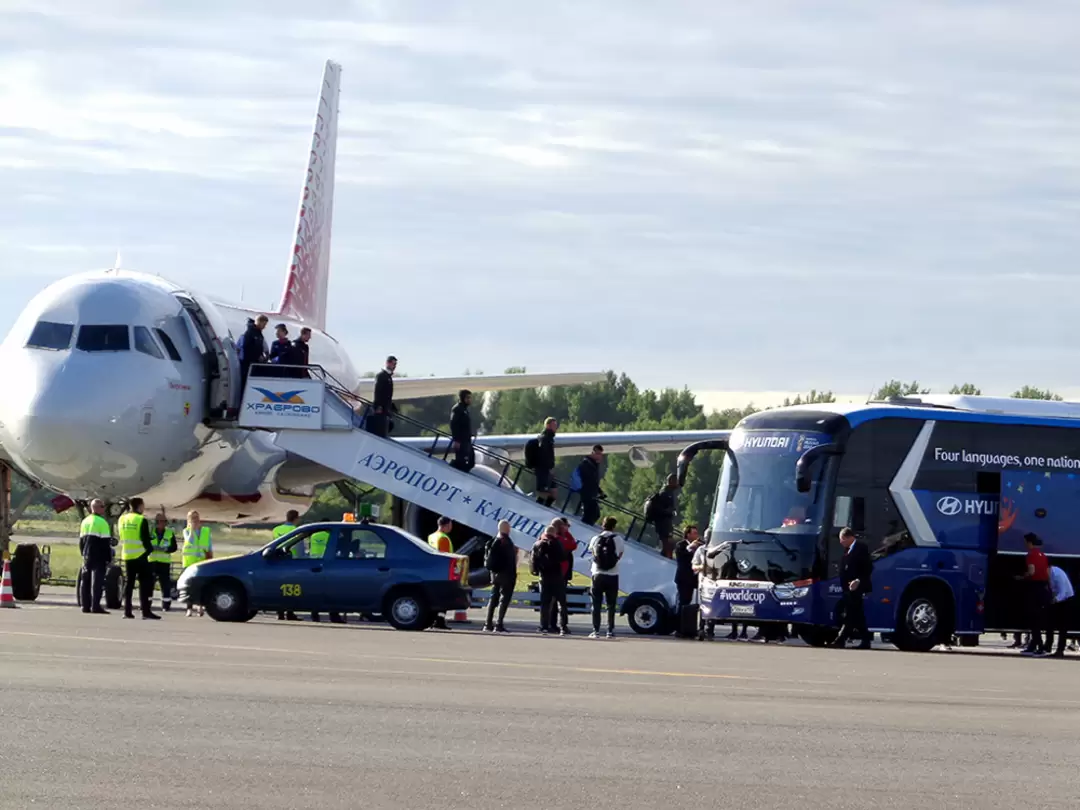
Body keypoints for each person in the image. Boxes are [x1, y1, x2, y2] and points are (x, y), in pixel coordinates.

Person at [118, 498, 159, 620]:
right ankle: (145, 611)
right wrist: (150, 550)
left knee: (129, 584)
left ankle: (127, 611)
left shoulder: (122, 519)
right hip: (140, 555)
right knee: (145, 584)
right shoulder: (141, 520)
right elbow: (145, 538)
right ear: (139, 506)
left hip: (127, 554)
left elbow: (120, 534)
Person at [832, 528, 872, 649]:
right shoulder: (847, 550)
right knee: (857, 614)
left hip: (857, 587)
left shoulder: (861, 548)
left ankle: (841, 639)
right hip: (847, 588)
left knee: (850, 613)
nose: (841, 542)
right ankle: (865, 640)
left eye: (843, 539)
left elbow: (868, 567)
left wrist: (858, 580)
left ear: (850, 537)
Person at [587, 517, 623, 638]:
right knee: (611, 604)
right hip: (613, 575)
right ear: (614, 527)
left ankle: (596, 630)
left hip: (597, 574)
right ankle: (610, 631)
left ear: (602, 525)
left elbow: (592, 553)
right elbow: (620, 554)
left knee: (596, 603)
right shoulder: (618, 539)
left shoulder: (595, 538)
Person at [1017, 532, 1051, 656]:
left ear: (1029, 543)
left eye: (1025, 542)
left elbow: (1031, 571)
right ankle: (1033, 645)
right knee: (1039, 618)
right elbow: (1047, 573)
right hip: (1043, 588)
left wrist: (1022, 577)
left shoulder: (1030, 555)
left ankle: (1039, 646)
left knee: (1033, 619)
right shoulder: (1043, 555)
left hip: (1034, 588)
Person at [531, 522, 567, 635]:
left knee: (545, 603)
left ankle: (544, 626)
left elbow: (533, 561)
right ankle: (563, 626)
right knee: (561, 602)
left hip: (544, 576)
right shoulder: (557, 543)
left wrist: (535, 571)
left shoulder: (537, 544)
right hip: (557, 576)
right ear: (554, 533)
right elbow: (563, 557)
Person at [78, 498, 112, 614]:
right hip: (99, 555)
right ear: (96, 508)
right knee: (97, 582)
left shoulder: (85, 521)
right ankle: (95, 605)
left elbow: (81, 541)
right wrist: (108, 558)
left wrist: (83, 553)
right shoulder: (102, 522)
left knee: (85, 581)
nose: (104, 508)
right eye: (102, 506)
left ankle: (85, 605)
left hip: (87, 555)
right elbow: (105, 543)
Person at [483, 520, 517, 633]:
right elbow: (510, 560)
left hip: (494, 574)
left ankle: (487, 624)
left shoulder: (492, 541)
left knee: (493, 599)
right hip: (506, 574)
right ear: (507, 529)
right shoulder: (506, 541)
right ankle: (499, 623)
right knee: (504, 599)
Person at [181, 510, 213, 617]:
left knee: (201, 585)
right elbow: (189, 541)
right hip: (189, 561)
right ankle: (189, 608)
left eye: (196, 517)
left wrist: (210, 557)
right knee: (189, 586)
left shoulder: (206, 531)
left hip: (201, 561)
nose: (195, 520)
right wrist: (192, 529)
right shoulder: (186, 531)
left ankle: (200, 607)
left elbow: (209, 545)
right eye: (192, 518)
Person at [674, 525, 702, 635]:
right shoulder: (680, 545)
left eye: (696, 533)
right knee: (683, 602)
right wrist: (692, 547)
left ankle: (688, 627)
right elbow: (684, 558)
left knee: (689, 601)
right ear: (688, 534)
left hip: (693, 579)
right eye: (694, 533)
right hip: (683, 578)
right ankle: (679, 628)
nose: (696, 535)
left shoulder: (699, 546)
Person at [427, 517, 454, 629]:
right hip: (444, 571)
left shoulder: (431, 536)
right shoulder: (443, 538)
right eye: (450, 525)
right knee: (444, 598)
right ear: (445, 525)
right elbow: (445, 555)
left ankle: (434, 620)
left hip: (433, 570)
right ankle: (440, 621)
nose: (451, 527)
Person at [274, 510, 301, 621]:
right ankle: (290, 612)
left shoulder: (276, 530)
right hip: (291, 561)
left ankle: (280, 613)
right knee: (291, 589)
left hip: (277, 561)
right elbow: (299, 550)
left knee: (279, 588)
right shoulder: (296, 531)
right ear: (296, 518)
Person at [148, 512, 177, 613]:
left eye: (164, 521)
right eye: (160, 521)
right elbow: (145, 544)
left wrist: (166, 549)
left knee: (165, 585)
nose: (162, 523)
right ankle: (147, 604)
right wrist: (152, 548)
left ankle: (166, 605)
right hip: (151, 561)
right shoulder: (150, 532)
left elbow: (174, 547)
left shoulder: (169, 533)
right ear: (156, 522)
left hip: (164, 563)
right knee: (149, 584)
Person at [1044, 565, 1075, 658]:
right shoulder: (1048, 575)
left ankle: (1060, 650)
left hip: (1066, 600)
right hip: (1056, 599)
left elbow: (1063, 592)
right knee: (1049, 624)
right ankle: (1047, 646)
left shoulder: (1058, 575)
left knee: (1062, 627)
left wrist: (1054, 600)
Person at [646, 475, 679, 558]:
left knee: (669, 544)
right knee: (668, 544)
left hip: (665, 523)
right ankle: (665, 560)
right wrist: (669, 512)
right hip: (663, 523)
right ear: (672, 481)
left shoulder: (668, 491)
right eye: (676, 481)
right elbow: (660, 508)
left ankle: (666, 557)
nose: (677, 483)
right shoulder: (665, 492)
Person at [554, 518, 577, 635]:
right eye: (566, 526)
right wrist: (566, 532)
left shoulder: (547, 537)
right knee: (561, 602)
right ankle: (562, 625)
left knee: (550, 601)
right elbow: (573, 544)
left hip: (550, 574)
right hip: (560, 574)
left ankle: (548, 624)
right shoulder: (561, 539)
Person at [575, 445, 606, 525]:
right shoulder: (586, 465)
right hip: (587, 493)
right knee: (590, 513)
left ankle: (586, 525)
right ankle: (583, 526)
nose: (600, 456)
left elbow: (594, 482)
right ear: (593, 453)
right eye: (598, 454)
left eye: (600, 454)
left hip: (592, 494)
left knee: (595, 514)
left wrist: (600, 491)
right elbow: (588, 480)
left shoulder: (594, 465)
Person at [368, 355, 398, 437]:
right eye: (393, 364)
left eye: (395, 364)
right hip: (381, 409)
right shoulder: (381, 376)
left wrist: (391, 405)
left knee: (387, 426)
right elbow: (378, 391)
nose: (394, 366)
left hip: (385, 408)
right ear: (387, 363)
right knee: (380, 429)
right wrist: (378, 406)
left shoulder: (388, 377)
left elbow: (387, 395)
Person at [238, 314, 268, 387]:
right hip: (247, 364)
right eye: (264, 324)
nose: (264, 326)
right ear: (259, 322)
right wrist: (257, 357)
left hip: (254, 364)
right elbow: (246, 348)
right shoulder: (250, 333)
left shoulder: (259, 334)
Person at [534, 417, 558, 507]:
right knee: (544, 493)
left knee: (554, 492)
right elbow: (544, 456)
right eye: (554, 425)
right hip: (544, 470)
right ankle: (540, 507)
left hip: (548, 470)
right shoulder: (544, 438)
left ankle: (544, 506)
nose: (556, 428)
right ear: (548, 426)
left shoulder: (550, 438)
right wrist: (549, 467)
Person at [449, 389, 475, 472]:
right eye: (468, 398)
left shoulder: (465, 409)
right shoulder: (457, 409)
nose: (470, 400)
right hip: (461, 441)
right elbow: (454, 425)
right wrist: (456, 440)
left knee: (471, 461)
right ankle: (451, 467)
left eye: (470, 398)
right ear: (462, 398)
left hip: (467, 440)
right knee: (461, 461)